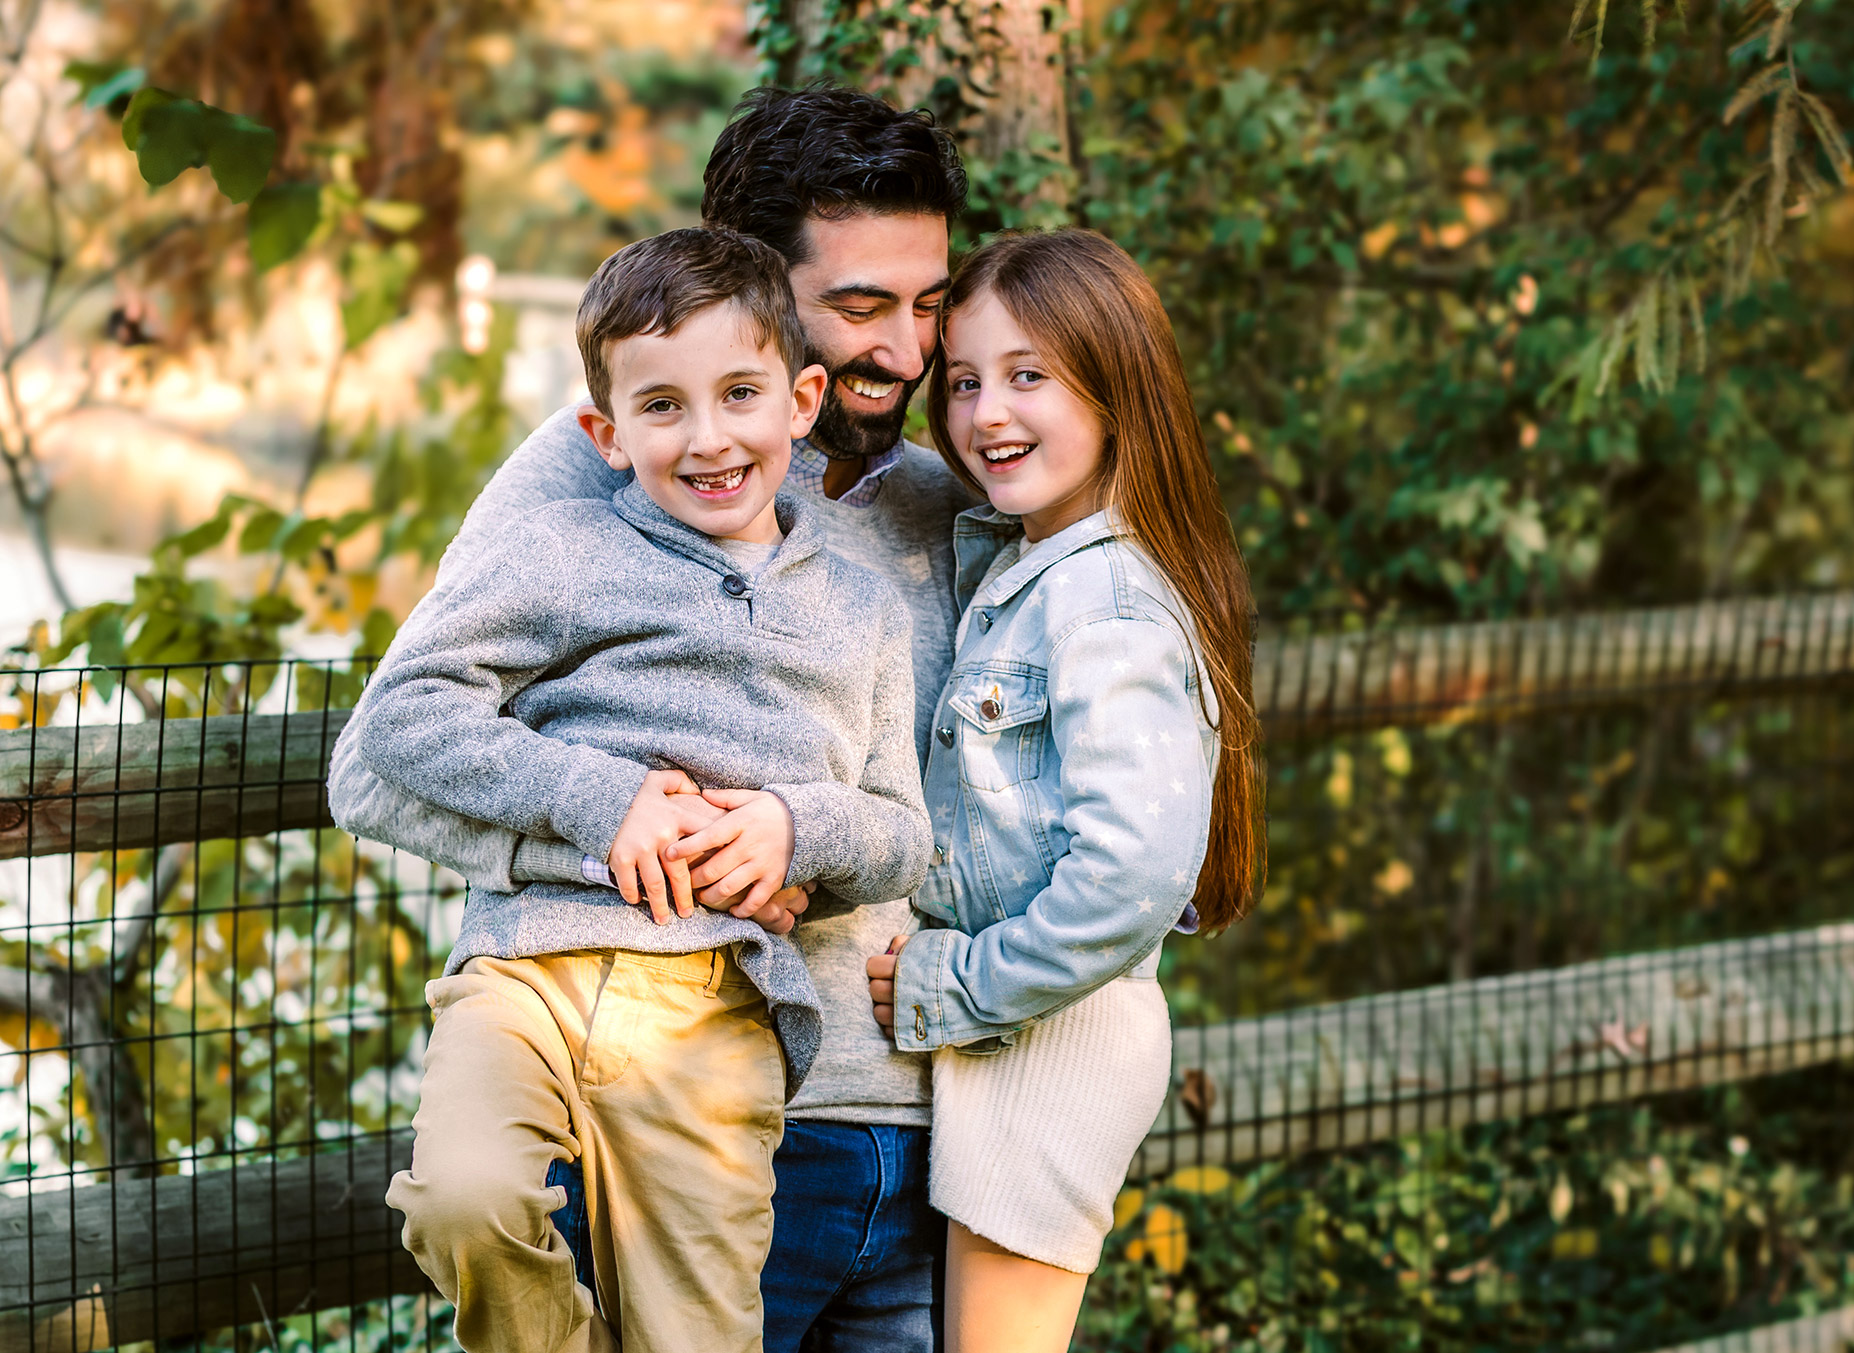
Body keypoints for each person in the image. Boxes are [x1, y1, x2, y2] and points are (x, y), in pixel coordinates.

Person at [326, 84, 978, 1351]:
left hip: (930, 1138)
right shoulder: (597, 476)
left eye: (926, 304)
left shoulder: (956, 497)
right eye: (859, 308)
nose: (904, 351)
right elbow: (376, 768)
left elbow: (938, 820)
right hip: (705, 1110)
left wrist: (807, 836)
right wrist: (638, 843)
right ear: (758, 287)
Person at [865, 229, 1266, 1353]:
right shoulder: (1030, 570)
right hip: (1018, 1037)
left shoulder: (1105, 604)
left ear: (1116, 382)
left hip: (1054, 1042)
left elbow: (1131, 875)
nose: (987, 413)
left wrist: (954, 982)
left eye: (1028, 374)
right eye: (963, 381)